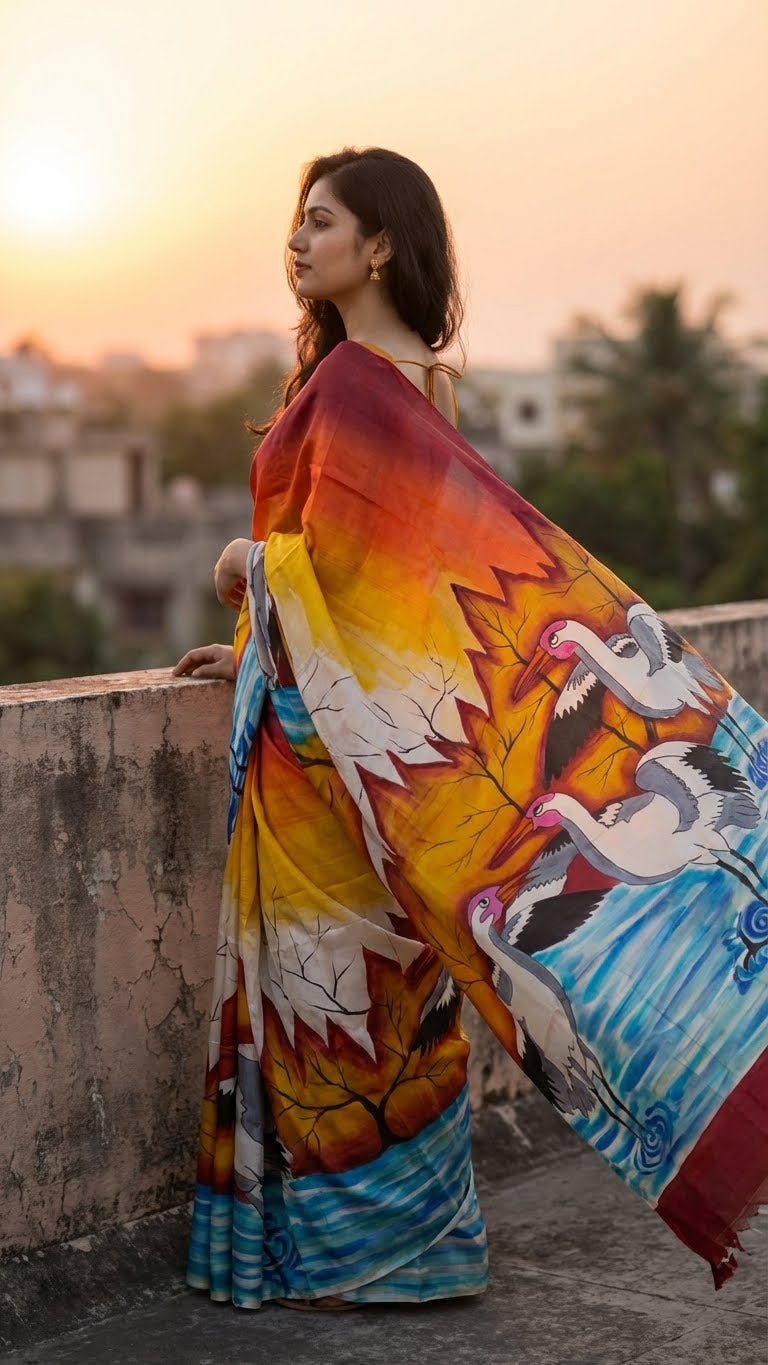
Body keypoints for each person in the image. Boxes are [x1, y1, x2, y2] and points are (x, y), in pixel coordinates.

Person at [173, 146, 768, 1312]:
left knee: (328, 986)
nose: (296, 243)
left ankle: (356, 1256)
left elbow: (360, 575)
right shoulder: (413, 383)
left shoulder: (352, 391)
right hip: (356, 748)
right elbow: (382, 592)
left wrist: (242, 569)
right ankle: (422, 1245)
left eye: (320, 222)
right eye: (295, 225)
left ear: (378, 244)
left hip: (333, 759)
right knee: (393, 981)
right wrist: (248, 650)